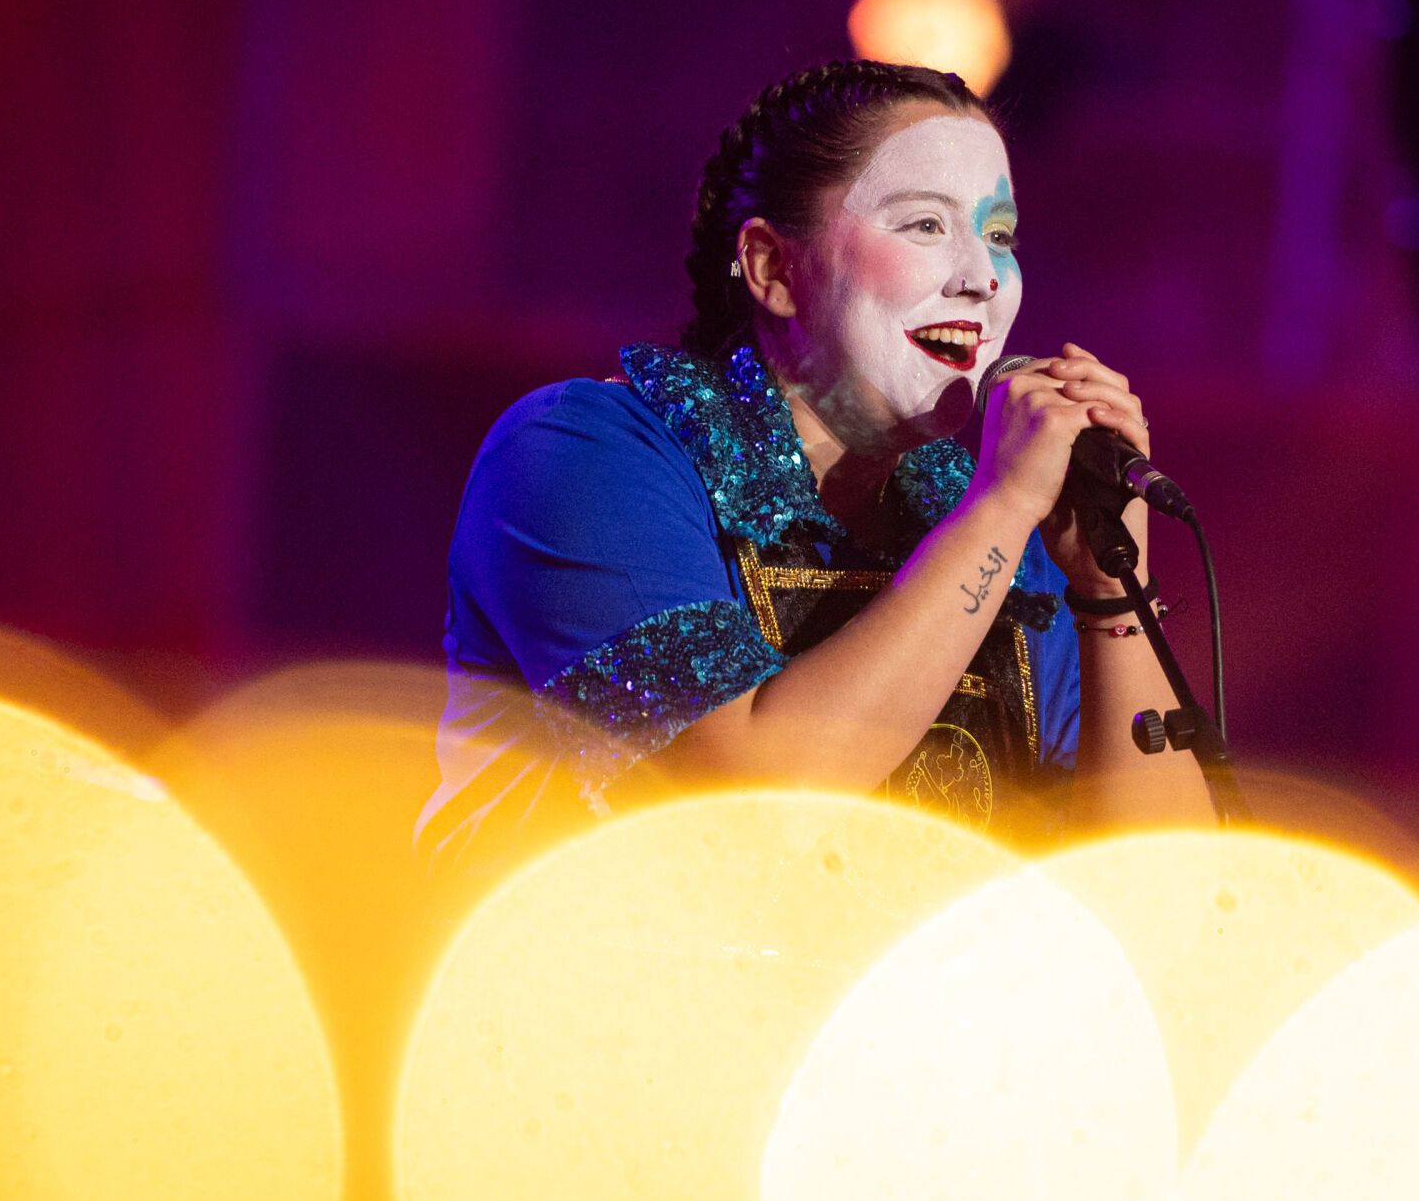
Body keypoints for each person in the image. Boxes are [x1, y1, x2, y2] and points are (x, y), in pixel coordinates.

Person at [418, 60, 1212, 880]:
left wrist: (1111, 584)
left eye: (1000, 235)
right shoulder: (582, 456)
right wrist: (1003, 509)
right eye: (925, 226)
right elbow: (751, 810)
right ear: (771, 269)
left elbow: (1156, 894)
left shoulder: (993, 535)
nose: (981, 277)